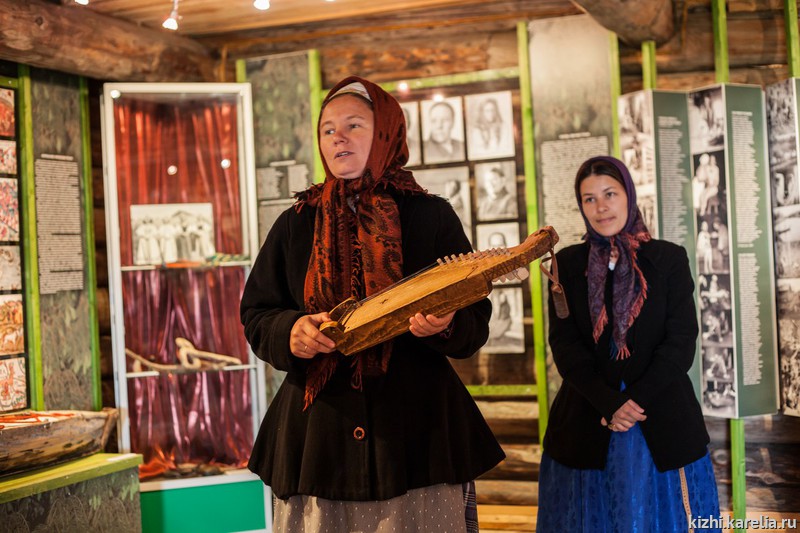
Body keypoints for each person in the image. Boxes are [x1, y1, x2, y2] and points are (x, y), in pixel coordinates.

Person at [241, 76, 504, 532]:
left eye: (354, 125)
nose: (338, 138)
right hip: (319, 440)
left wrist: (445, 322)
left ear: (385, 133)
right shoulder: (295, 224)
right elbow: (257, 313)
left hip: (418, 438)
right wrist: (290, 331)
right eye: (328, 129)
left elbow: (475, 317)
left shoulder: (430, 216)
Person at [537, 156, 720, 531]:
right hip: (588, 417)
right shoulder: (566, 265)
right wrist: (609, 403)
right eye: (589, 199)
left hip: (659, 416)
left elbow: (681, 341)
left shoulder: (668, 259)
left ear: (628, 195)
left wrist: (631, 403)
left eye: (610, 194)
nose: (601, 207)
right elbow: (565, 346)